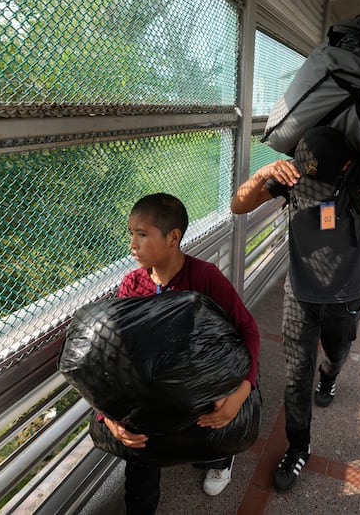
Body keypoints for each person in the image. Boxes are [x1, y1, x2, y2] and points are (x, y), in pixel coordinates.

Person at [230, 26, 360, 492]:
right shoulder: (294, 176)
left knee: (338, 352)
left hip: (347, 294)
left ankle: (331, 375)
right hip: (299, 294)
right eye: (309, 183)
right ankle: (298, 446)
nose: (313, 192)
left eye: (322, 185)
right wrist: (265, 172)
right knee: (294, 375)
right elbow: (238, 205)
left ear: (346, 169)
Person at [102, 193, 261, 514]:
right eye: (130, 233)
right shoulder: (132, 285)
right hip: (156, 388)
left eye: (142, 234)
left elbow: (248, 331)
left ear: (173, 237)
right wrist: (108, 414)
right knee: (140, 452)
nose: (133, 243)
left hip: (199, 383)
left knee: (214, 423)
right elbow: (116, 356)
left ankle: (220, 459)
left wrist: (242, 390)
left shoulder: (204, 278)